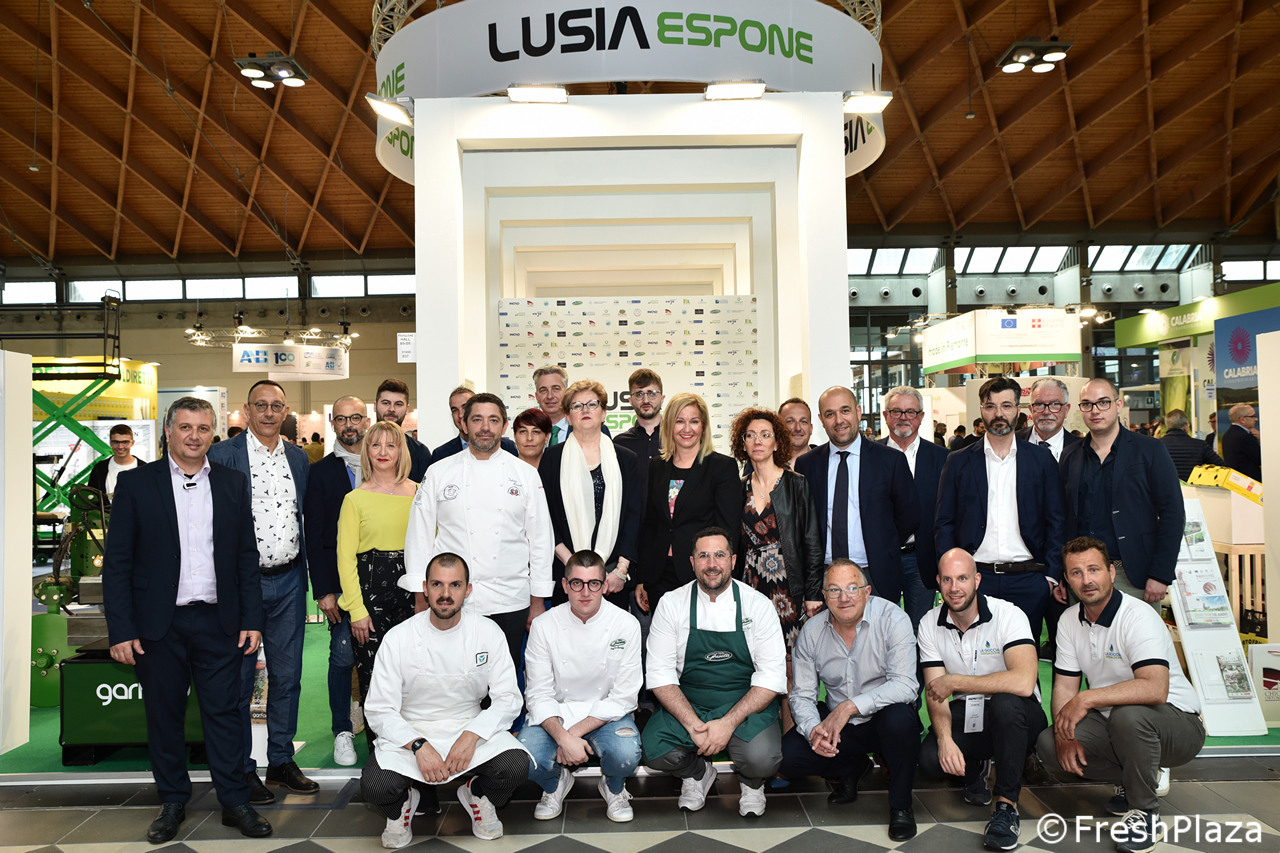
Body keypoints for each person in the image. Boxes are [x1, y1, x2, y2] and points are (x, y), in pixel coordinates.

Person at [102, 397, 271, 842]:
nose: (194, 436)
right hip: (158, 626)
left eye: (203, 428)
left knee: (225, 715)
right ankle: (172, 801)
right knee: (164, 716)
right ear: (168, 431)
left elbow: (246, 556)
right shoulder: (137, 484)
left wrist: (252, 618)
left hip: (220, 621)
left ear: (213, 434)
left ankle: (234, 801)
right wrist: (121, 630)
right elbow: (117, 564)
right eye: (185, 427)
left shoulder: (232, 483)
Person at [1035, 537, 1205, 853]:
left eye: (1094, 569)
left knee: (1129, 715)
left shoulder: (1138, 616)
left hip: (1177, 723)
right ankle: (1135, 779)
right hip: (1115, 721)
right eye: (1076, 573)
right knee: (1049, 743)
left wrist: (1086, 699)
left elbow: (1155, 688)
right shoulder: (1069, 620)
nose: (1086, 580)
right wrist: (1064, 733)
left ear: (1111, 573)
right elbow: (1065, 686)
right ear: (1067, 580)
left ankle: (1145, 813)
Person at [360, 553, 529, 847]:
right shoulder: (399, 638)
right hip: (411, 729)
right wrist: (417, 745)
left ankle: (479, 793)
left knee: (515, 766)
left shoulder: (488, 633)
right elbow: (379, 709)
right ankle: (401, 805)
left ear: (468, 590)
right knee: (376, 786)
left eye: (455, 585)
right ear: (425, 588)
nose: (445, 594)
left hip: (468, 725)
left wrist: (472, 734)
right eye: (437, 584)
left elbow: (508, 699)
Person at [207, 380, 316, 803]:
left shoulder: (298, 458)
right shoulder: (222, 455)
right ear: (248, 409)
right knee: (239, 680)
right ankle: (242, 768)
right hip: (241, 586)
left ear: (286, 411)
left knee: (288, 676)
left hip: (289, 579)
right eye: (261, 405)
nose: (269, 413)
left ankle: (281, 761)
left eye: (276, 406)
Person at [404, 392, 553, 678]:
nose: (485, 427)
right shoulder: (439, 472)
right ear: (464, 423)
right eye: (477, 420)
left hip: (510, 597)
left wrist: (538, 601)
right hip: (454, 597)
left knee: (505, 675)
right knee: (454, 674)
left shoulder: (525, 474)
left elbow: (540, 540)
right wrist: (420, 595)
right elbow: (419, 536)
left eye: (493, 420)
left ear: (504, 426)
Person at [643, 528, 786, 817]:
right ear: (692, 562)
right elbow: (659, 674)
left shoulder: (757, 605)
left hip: (745, 705)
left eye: (719, 555)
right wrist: (694, 725)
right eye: (703, 556)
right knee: (652, 749)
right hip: (691, 702)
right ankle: (697, 774)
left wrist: (727, 724)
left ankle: (752, 783)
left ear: (732, 560)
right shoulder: (672, 604)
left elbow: (771, 677)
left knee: (762, 758)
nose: (712, 564)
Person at [916, 549, 1046, 851]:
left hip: (1020, 713)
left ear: (977, 579)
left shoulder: (1009, 614)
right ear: (938, 582)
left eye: (962, 578)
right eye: (947, 580)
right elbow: (936, 693)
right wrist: (945, 740)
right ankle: (977, 769)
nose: (954, 588)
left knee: (1005, 704)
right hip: (968, 710)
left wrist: (957, 681)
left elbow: (1024, 682)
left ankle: (1006, 806)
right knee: (931, 759)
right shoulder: (929, 623)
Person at [781, 559, 920, 841]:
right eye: (834, 590)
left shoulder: (893, 619)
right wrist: (813, 731)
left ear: (867, 592)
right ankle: (852, 767)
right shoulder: (812, 631)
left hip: (883, 720)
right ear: (824, 596)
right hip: (840, 730)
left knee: (900, 721)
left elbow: (906, 685)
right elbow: (803, 695)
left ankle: (901, 805)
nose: (844, 598)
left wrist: (850, 706)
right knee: (789, 757)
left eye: (852, 588)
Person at [936, 376, 1065, 646]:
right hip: (976, 580)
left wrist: (1049, 577)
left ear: (1018, 409)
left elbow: (1056, 520)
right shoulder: (958, 461)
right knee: (975, 657)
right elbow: (944, 522)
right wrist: (952, 574)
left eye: (1006, 406)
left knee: (1023, 658)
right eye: (990, 406)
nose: (998, 414)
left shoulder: (1041, 460)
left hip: (1028, 579)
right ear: (981, 411)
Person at [517, 551, 643, 822]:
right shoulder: (543, 625)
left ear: (604, 585)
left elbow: (625, 696)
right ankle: (555, 783)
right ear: (565, 585)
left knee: (626, 754)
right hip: (557, 712)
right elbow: (538, 694)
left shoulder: (626, 624)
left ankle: (614, 787)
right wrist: (562, 737)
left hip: (606, 715)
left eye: (593, 583)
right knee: (525, 759)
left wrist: (571, 735)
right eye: (577, 583)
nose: (585, 592)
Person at [730, 407, 822, 731]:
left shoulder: (796, 484)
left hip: (788, 587)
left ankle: (792, 743)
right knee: (756, 665)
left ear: (777, 442)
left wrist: (812, 593)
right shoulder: (737, 486)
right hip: (750, 586)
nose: (758, 441)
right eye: (751, 435)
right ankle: (760, 739)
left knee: (791, 668)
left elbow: (811, 540)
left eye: (765, 435)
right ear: (742, 442)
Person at [1059, 378, 1184, 612]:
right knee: (1086, 635)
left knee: (1139, 636)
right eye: (1087, 404)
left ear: (1118, 405)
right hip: (1082, 575)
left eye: (1103, 402)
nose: (1095, 410)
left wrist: (1161, 574)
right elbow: (1064, 517)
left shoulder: (1150, 450)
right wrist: (1063, 574)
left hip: (1133, 574)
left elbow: (1173, 513)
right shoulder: (1070, 455)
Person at [794, 386, 917, 611]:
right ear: (821, 420)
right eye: (830, 414)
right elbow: (804, 523)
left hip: (875, 576)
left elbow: (908, 516)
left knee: (878, 633)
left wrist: (882, 544)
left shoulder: (890, 460)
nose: (839, 420)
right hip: (825, 578)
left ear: (858, 412)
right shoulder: (808, 465)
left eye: (845, 411)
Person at [336, 420, 418, 725]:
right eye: (375, 444)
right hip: (370, 595)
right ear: (367, 451)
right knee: (373, 676)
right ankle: (380, 749)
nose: (383, 451)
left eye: (391, 445)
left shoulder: (419, 493)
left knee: (414, 674)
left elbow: (433, 548)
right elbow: (345, 558)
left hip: (413, 593)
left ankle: (415, 743)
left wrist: (426, 597)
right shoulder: (354, 499)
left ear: (401, 451)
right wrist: (357, 610)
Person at [303, 395, 367, 767]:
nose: (349, 425)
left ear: (365, 420)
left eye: (355, 417)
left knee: (385, 659)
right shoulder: (321, 472)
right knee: (342, 656)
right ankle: (342, 729)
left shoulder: (382, 465)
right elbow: (313, 535)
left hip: (381, 582)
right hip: (339, 585)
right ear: (332, 422)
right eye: (341, 418)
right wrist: (324, 590)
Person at [636, 392, 741, 613]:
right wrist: (642, 577)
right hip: (658, 575)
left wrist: (719, 573)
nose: (687, 429)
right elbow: (650, 524)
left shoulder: (722, 467)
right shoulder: (657, 466)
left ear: (703, 426)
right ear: (669, 426)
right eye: (679, 421)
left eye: (694, 421)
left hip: (702, 574)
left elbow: (728, 529)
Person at [541, 380, 642, 609]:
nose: (585, 410)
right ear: (568, 416)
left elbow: (633, 517)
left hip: (613, 577)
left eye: (592, 404)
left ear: (604, 413)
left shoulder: (626, 459)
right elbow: (545, 518)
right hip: (567, 574)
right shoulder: (552, 459)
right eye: (577, 406)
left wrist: (621, 570)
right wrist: (574, 567)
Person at [878, 385, 946, 627]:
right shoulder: (869, 456)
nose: (903, 417)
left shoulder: (943, 458)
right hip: (881, 558)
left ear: (922, 416)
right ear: (885, 415)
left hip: (922, 558)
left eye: (911, 412)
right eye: (896, 411)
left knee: (920, 627)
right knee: (881, 625)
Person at [429, 385, 518, 463]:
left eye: (465, 407)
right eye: (455, 410)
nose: (460, 415)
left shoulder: (508, 447)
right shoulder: (441, 454)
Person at [374, 378, 432, 481]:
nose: (391, 409)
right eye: (386, 403)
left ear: (407, 409)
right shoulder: (361, 447)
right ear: (375, 406)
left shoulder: (420, 452)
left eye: (398, 404)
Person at [612, 367, 665, 476]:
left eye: (652, 393)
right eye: (639, 394)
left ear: (662, 399)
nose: (646, 400)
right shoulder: (619, 443)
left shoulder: (676, 439)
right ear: (630, 401)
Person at [1016, 377, 1082, 462]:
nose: (1046, 412)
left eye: (1054, 404)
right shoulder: (1013, 441)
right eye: (1039, 404)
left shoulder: (1082, 449)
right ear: (1031, 409)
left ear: (1066, 410)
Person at [87, 423, 146, 506]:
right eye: (116, 442)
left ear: (132, 443)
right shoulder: (99, 469)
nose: (120, 447)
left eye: (125, 442)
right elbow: (91, 500)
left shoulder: (145, 469)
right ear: (110, 443)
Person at [1159, 408, 1224, 480]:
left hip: (1166, 485)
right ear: (1185, 427)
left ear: (1167, 426)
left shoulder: (1157, 445)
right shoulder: (1200, 445)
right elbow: (1221, 466)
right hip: (1193, 485)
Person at [1222, 402, 1262, 481]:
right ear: (1242, 419)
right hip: (1250, 481)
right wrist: (1260, 440)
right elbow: (1261, 459)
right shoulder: (1246, 437)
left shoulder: (1227, 435)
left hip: (1236, 480)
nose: (1256, 419)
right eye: (1253, 416)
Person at [779, 397, 817, 466]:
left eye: (803, 422)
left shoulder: (825, 461)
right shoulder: (767, 463)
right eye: (790, 421)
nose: (798, 428)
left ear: (811, 428)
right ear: (779, 427)